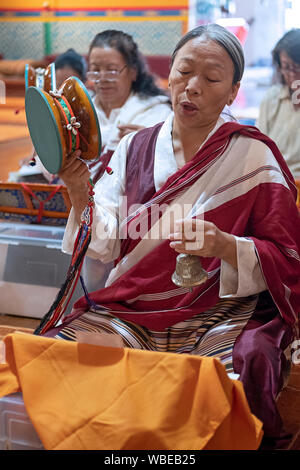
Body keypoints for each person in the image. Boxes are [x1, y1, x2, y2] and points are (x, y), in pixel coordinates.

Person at [40, 24, 300, 450]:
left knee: (232, 375)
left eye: (212, 78)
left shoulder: (256, 156)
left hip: (220, 312)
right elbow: (104, 240)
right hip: (134, 306)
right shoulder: (135, 149)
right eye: (183, 73)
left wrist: (225, 245)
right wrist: (76, 188)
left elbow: (288, 258)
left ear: (233, 91)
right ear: (169, 77)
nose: (192, 88)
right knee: (64, 354)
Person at [85, 29, 172, 184]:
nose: (102, 79)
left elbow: (169, 167)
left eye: (112, 70)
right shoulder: (81, 112)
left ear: (132, 72)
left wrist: (149, 144)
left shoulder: (157, 113)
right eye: (96, 70)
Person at [14, 48, 87, 184]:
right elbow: (40, 138)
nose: (61, 93)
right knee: (21, 181)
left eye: (68, 87)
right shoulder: (51, 105)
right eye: (59, 85)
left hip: (75, 173)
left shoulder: (87, 110)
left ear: (83, 83)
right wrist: (32, 157)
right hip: (47, 170)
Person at [256, 29, 300, 179]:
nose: (293, 75)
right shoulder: (272, 98)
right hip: (276, 181)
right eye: (287, 67)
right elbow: (259, 148)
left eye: (298, 67)